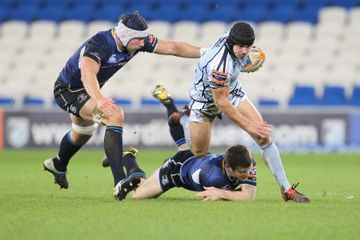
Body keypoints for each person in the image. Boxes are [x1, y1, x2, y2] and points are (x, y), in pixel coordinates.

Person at [43, 12, 206, 201]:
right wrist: (99, 99)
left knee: (83, 130)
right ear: (126, 36)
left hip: (89, 89)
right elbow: (87, 74)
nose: (143, 43)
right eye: (139, 40)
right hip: (69, 90)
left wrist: (207, 52)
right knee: (114, 115)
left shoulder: (136, 40)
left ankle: (58, 164)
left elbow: (173, 47)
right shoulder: (100, 43)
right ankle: (119, 180)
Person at [152, 24, 311, 205]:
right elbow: (221, 103)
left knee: (263, 137)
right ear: (231, 42)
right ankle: (181, 118)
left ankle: (286, 188)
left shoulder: (234, 38)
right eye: (241, 47)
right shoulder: (220, 66)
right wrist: (248, 124)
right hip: (205, 102)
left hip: (232, 91)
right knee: (198, 151)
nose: (244, 50)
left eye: (248, 46)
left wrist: (247, 64)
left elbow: (239, 62)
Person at [102, 100, 257, 201]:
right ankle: (129, 158)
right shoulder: (212, 176)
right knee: (137, 195)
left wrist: (222, 193)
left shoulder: (247, 161)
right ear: (228, 167)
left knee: (183, 146)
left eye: (247, 170)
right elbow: (244, 196)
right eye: (243, 171)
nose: (247, 174)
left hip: (194, 159)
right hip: (174, 170)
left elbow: (248, 195)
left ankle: (170, 111)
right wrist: (222, 193)